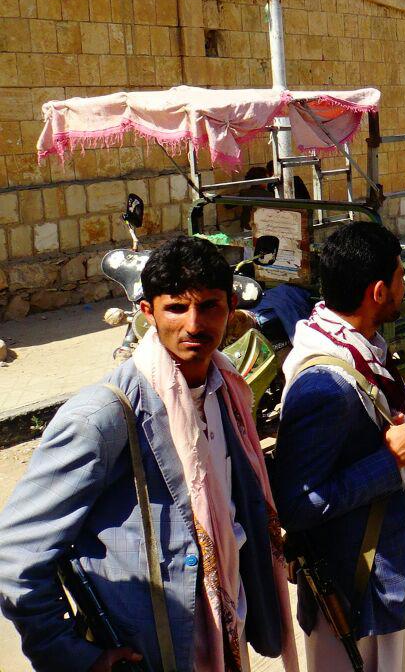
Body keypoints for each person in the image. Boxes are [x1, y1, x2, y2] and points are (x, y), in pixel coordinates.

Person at [0, 237, 298, 672]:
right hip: (152, 651)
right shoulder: (103, 417)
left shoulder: (226, 390)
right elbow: (17, 555)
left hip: (222, 631)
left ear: (231, 308)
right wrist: (74, 657)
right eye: (176, 308)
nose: (194, 324)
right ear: (147, 312)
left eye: (209, 306)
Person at [272, 222, 405, 671]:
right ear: (379, 292)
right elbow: (297, 505)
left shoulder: (363, 350)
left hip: (381, 577)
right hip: (355, 591)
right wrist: (390, 461)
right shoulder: (324, 386)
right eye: (401, 276)